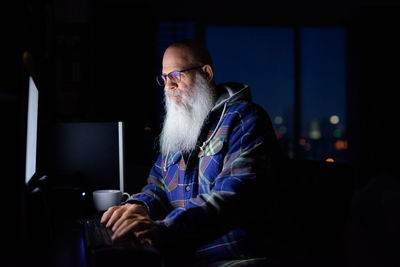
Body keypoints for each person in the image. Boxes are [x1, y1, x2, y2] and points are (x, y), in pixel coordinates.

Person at [101, 39, 284, 266]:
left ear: (206, 74)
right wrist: (139, 207)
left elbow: (232, 197)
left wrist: (163, 229)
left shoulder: (244, 119)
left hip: (236, 259)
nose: (168, 87)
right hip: (182, 256)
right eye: (165, 78)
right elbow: (158, 185)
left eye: (176, 75)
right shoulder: (180, 126)